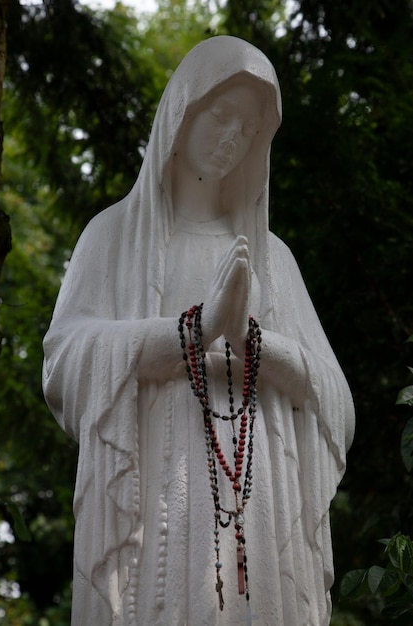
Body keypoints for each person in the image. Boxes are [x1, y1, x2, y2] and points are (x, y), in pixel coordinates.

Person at [43, 35, 355, 626]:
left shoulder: (272, 261)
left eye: (249, 127)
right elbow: (64, 362)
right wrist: (195, 330)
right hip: (155, 483)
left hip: (257, 502)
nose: (232, 136)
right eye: (221, 114)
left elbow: (335, 402)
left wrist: (251, 342)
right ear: (183, 109)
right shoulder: (111, 239)